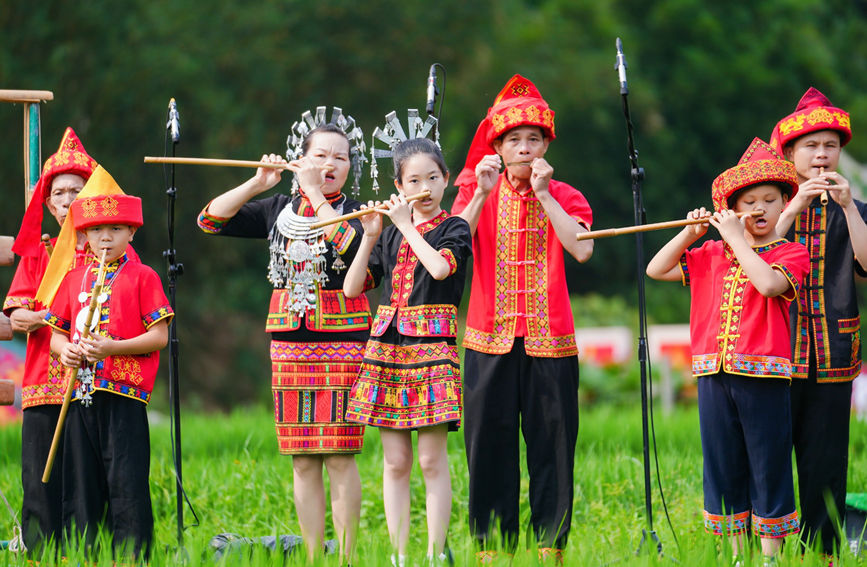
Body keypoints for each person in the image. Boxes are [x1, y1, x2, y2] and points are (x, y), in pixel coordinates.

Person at [196, 109, 371, 563]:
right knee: (303, 457)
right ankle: (314, 554)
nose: (330, 164)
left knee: (339, 454)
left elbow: (362, 260)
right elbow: (210, 221)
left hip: (344, 340)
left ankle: (349, 555)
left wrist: (316, 194)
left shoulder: (359, 212)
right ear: (301, 158)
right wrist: (258, 183)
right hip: (289, 342)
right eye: (320, 155)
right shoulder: (278, 208)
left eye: (341, 157)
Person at [451, 75, 593, 562]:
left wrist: (547, 195)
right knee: (488, 446)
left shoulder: (567, 195)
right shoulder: (477, 190)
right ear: (497, 146)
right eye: (514, 140)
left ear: (548, 144)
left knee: (553, 447)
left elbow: (582, 249)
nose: (525, 148)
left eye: (534, 139)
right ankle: (492, 548)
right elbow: (453, 247)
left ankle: (549, 547)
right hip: (487, 339)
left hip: (550, 340)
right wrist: (479, 195)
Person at [646, 138, 808, 563]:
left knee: (768, 464)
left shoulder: (792, 252)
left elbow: (770, 285)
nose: (758, 208)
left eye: (769, 200)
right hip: (712, 375)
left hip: (764, 377)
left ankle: (771, 556)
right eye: (748, 201)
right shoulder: (711, 253)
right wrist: (690, 233)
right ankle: (737, 554)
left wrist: (737, 241)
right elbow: (656, 269)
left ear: (783, 204)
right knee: (722, 465)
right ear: (732, 208)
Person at [343, 134, 471, 566]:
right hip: (388, 347)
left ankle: (436, 555)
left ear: (446, 180)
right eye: (414, 180)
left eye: (433, 178)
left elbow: (438, 267)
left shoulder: (456, 228)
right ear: (399, 187)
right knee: (395, 462)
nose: (425, 188)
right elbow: (351, 288)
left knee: (432, 460)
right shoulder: (390, 232)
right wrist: (370, 235)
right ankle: (399, 556)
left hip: (432, 346)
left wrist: (404, 226)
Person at [44, 176, 172, 559]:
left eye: (115, 228)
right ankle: (84, 554)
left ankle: (133, 556)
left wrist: (113, 348)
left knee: (126, 481)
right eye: (96, 230)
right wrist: (65, 350)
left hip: (123, 395)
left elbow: (160, 336)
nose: (105, 237)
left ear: (131, 232)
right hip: (78, 393)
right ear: (83, 236)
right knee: (81, 482)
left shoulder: (143, 276)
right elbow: (55, 335)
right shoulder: (72, 279)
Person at [769, 87, 867, 557]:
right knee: (768, 461)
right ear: (790, 153)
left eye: (830, 146)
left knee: (825, 464)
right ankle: (765, 550)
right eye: (811, 146)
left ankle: (822, 553)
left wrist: (849, 207)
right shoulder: (770, 205)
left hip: (833, 354)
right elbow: (754, 255)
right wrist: (792, 207)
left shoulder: (855, 211)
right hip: (773, 354)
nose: (822, 155)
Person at [3, 127, 97, 553]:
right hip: (44, 377)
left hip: (95, 376)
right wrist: (50, 319)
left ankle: (89, 551)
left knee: (87, 471)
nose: (67, 200)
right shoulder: (38, 253)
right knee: (39, 472)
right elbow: (17, 313)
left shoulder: (108, 247)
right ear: (48, 202)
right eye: (59, 193)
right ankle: (40, 553)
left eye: (76, 191)